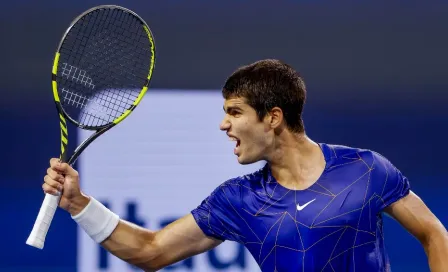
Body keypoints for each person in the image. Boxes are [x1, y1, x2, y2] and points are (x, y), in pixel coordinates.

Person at [43, 59, 448, 272]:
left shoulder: (366, 169)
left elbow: (433, 234)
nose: (224, 124)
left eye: (235, 112)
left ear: (272, 117)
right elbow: (151, 252)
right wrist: (79, 204)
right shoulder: (237, 200)